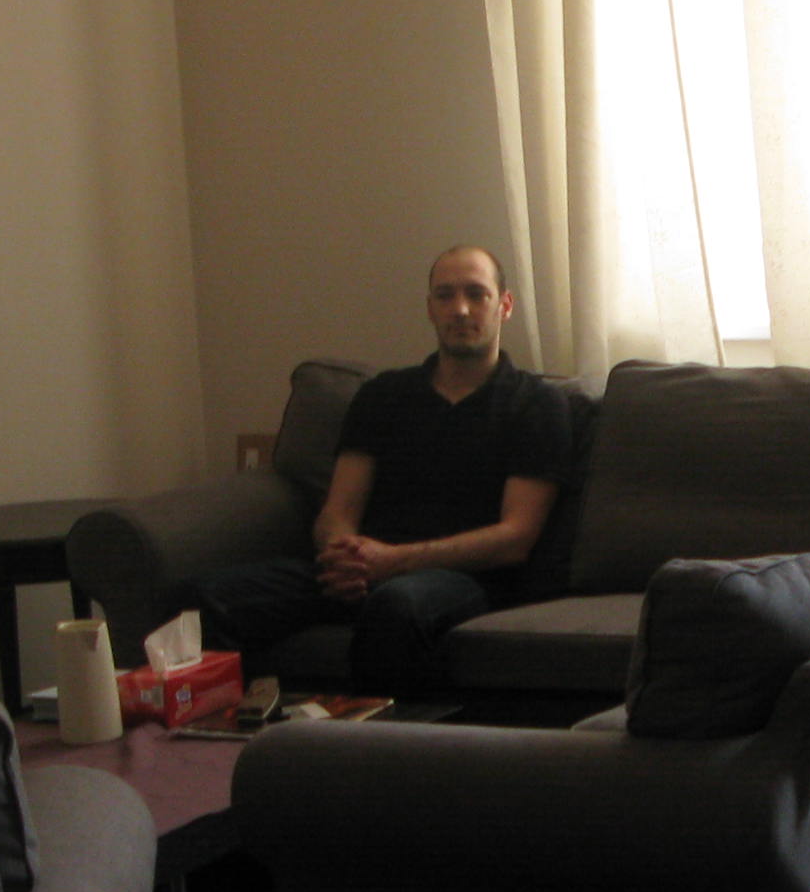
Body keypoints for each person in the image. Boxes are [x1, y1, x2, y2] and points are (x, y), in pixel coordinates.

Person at [196, 245, 572, 695]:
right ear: (430, 309)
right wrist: (345, 555)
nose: (460, 309)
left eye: (476, 294)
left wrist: (393, 562)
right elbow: (338, 510)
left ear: (504, 305)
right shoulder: (384, 396)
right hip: (364, 572)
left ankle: (371, 738)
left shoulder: (536, 404)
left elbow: (516, 538)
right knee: (213, 597)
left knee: (396, 606)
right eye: (446, 295)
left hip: (466, 580)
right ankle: (229, 731)